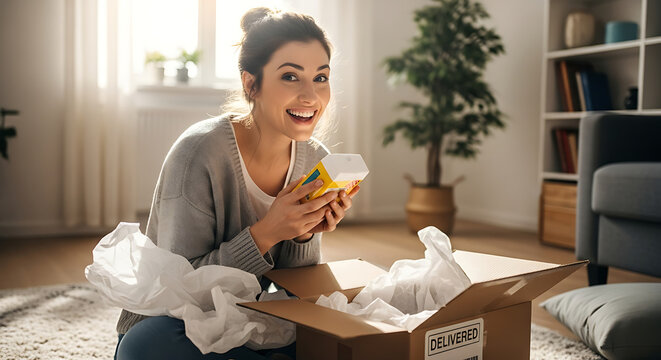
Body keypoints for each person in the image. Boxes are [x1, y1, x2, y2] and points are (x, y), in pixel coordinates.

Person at [114, 7, 360, 360]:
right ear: (251, 83)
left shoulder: (316, 159)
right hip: (176, 320)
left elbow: (295, 291)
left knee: (335, 328)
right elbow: (181, 291)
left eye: (321, 78)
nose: (311, 96)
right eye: (291, 77)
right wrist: (267, 233)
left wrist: (304, 234)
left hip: (251, 314)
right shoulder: (198, 153)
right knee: (144, 346)